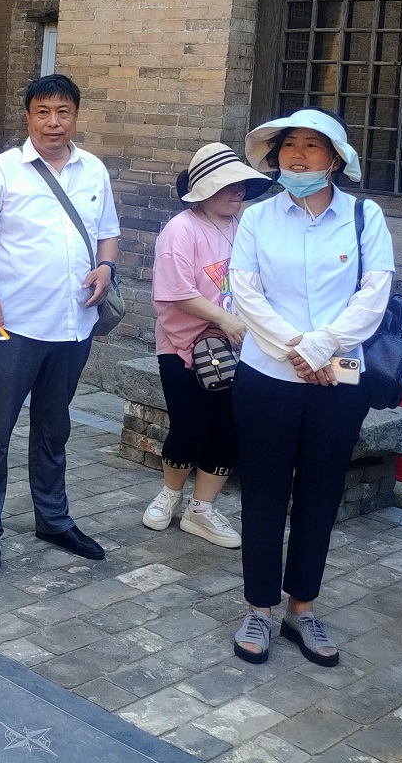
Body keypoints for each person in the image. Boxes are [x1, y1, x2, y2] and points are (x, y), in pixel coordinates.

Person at [228, 109, 392, 669]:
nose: (297, 156)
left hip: (338, 379)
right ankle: (258, 607)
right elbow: (245, 292)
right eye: (288, 145)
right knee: (263, 493)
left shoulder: (365, 217)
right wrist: (297, 348)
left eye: (312, 145)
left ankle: (303, 607)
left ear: (336, 158)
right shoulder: (257, 217)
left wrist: (323, 345)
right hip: (267, 376)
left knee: (321, 493)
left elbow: (374, 292)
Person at [0, 73, 120, 571]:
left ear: (75, 115)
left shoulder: (93, 170)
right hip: (13, 324)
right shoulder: (0, 172)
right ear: (28, 117)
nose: (54, 122)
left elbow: (108, 233)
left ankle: (53, 519)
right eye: (43, 112)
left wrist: (106, 267)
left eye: (63, 112)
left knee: (54, 430)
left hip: (74, 325)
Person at [143, 143, 272, 548]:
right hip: (184, 348)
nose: (238, 192)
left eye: (241, 185)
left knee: (229, 427)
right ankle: (170, 494)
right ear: (204, 190)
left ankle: (201, 509)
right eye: (229, 185)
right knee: (189, 425)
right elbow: (177, 291)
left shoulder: (243, 227)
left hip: (239, 347)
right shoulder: (181, 229)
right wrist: (224, 319)